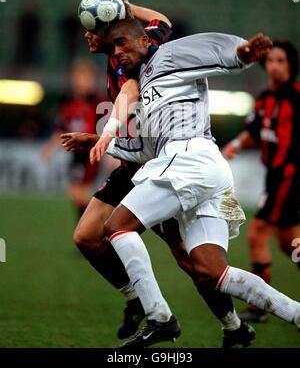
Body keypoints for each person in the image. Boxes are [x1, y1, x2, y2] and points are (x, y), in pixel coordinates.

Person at [61, 0, 251, 348]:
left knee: (191, 263)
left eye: (93, 28)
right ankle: (137, 302)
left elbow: (158, 29)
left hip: (158, 163)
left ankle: (233, 325)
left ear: (110, 32)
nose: (87, 34)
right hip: (131, 164)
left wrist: (125, 6)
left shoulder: (135, 59)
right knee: (86, 236)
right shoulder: (118, 55)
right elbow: (160, 22)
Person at [95, 19, 300, 348]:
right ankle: (295, 314)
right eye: (114, 48)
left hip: (190, 160)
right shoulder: (145, 89)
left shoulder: (170, 55)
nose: (117, 52)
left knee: (117, 226)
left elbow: (216, 53)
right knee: (211, 271)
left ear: (144, 42)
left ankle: (159, 318)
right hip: (209, 172)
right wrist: (99, 140)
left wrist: (243, 53)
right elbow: (147, 149)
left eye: (122, 43)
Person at [222, 40, 300, 323]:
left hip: (289, 176)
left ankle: (259, 306)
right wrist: (235, 144)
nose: (275, 66)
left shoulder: (296, 96)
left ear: (291, 65)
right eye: (271, 60)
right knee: (288, 241)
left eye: (282, 60)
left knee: (256, 233)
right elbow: (254, 129)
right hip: (274, 177)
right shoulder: (265, 98)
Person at [41, 59, 105, 220]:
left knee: (79, 192)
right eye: (79, 77)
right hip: (76, 153)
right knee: (76, 194)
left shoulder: (98, 102)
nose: (82, 81)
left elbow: (109, 128)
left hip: (90, 151)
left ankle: (101, 220)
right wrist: (49, 148)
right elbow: (61, 129)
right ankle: (87, 232)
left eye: (86, 77)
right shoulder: (69, 102)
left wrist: (110, 153)